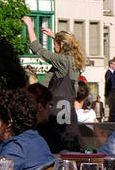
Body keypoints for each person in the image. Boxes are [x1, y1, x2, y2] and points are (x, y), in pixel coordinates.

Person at [21, 15, 84, 148]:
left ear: (61, 45)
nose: (53, 46)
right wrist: (54, 36)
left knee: (57, 141)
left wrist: (29, 25)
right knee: (68, 140)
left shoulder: (62, 60)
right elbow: (69, 43)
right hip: (68, 107)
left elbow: (37, 47)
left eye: (55, 43)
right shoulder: (75, 60)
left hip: (58, 107)